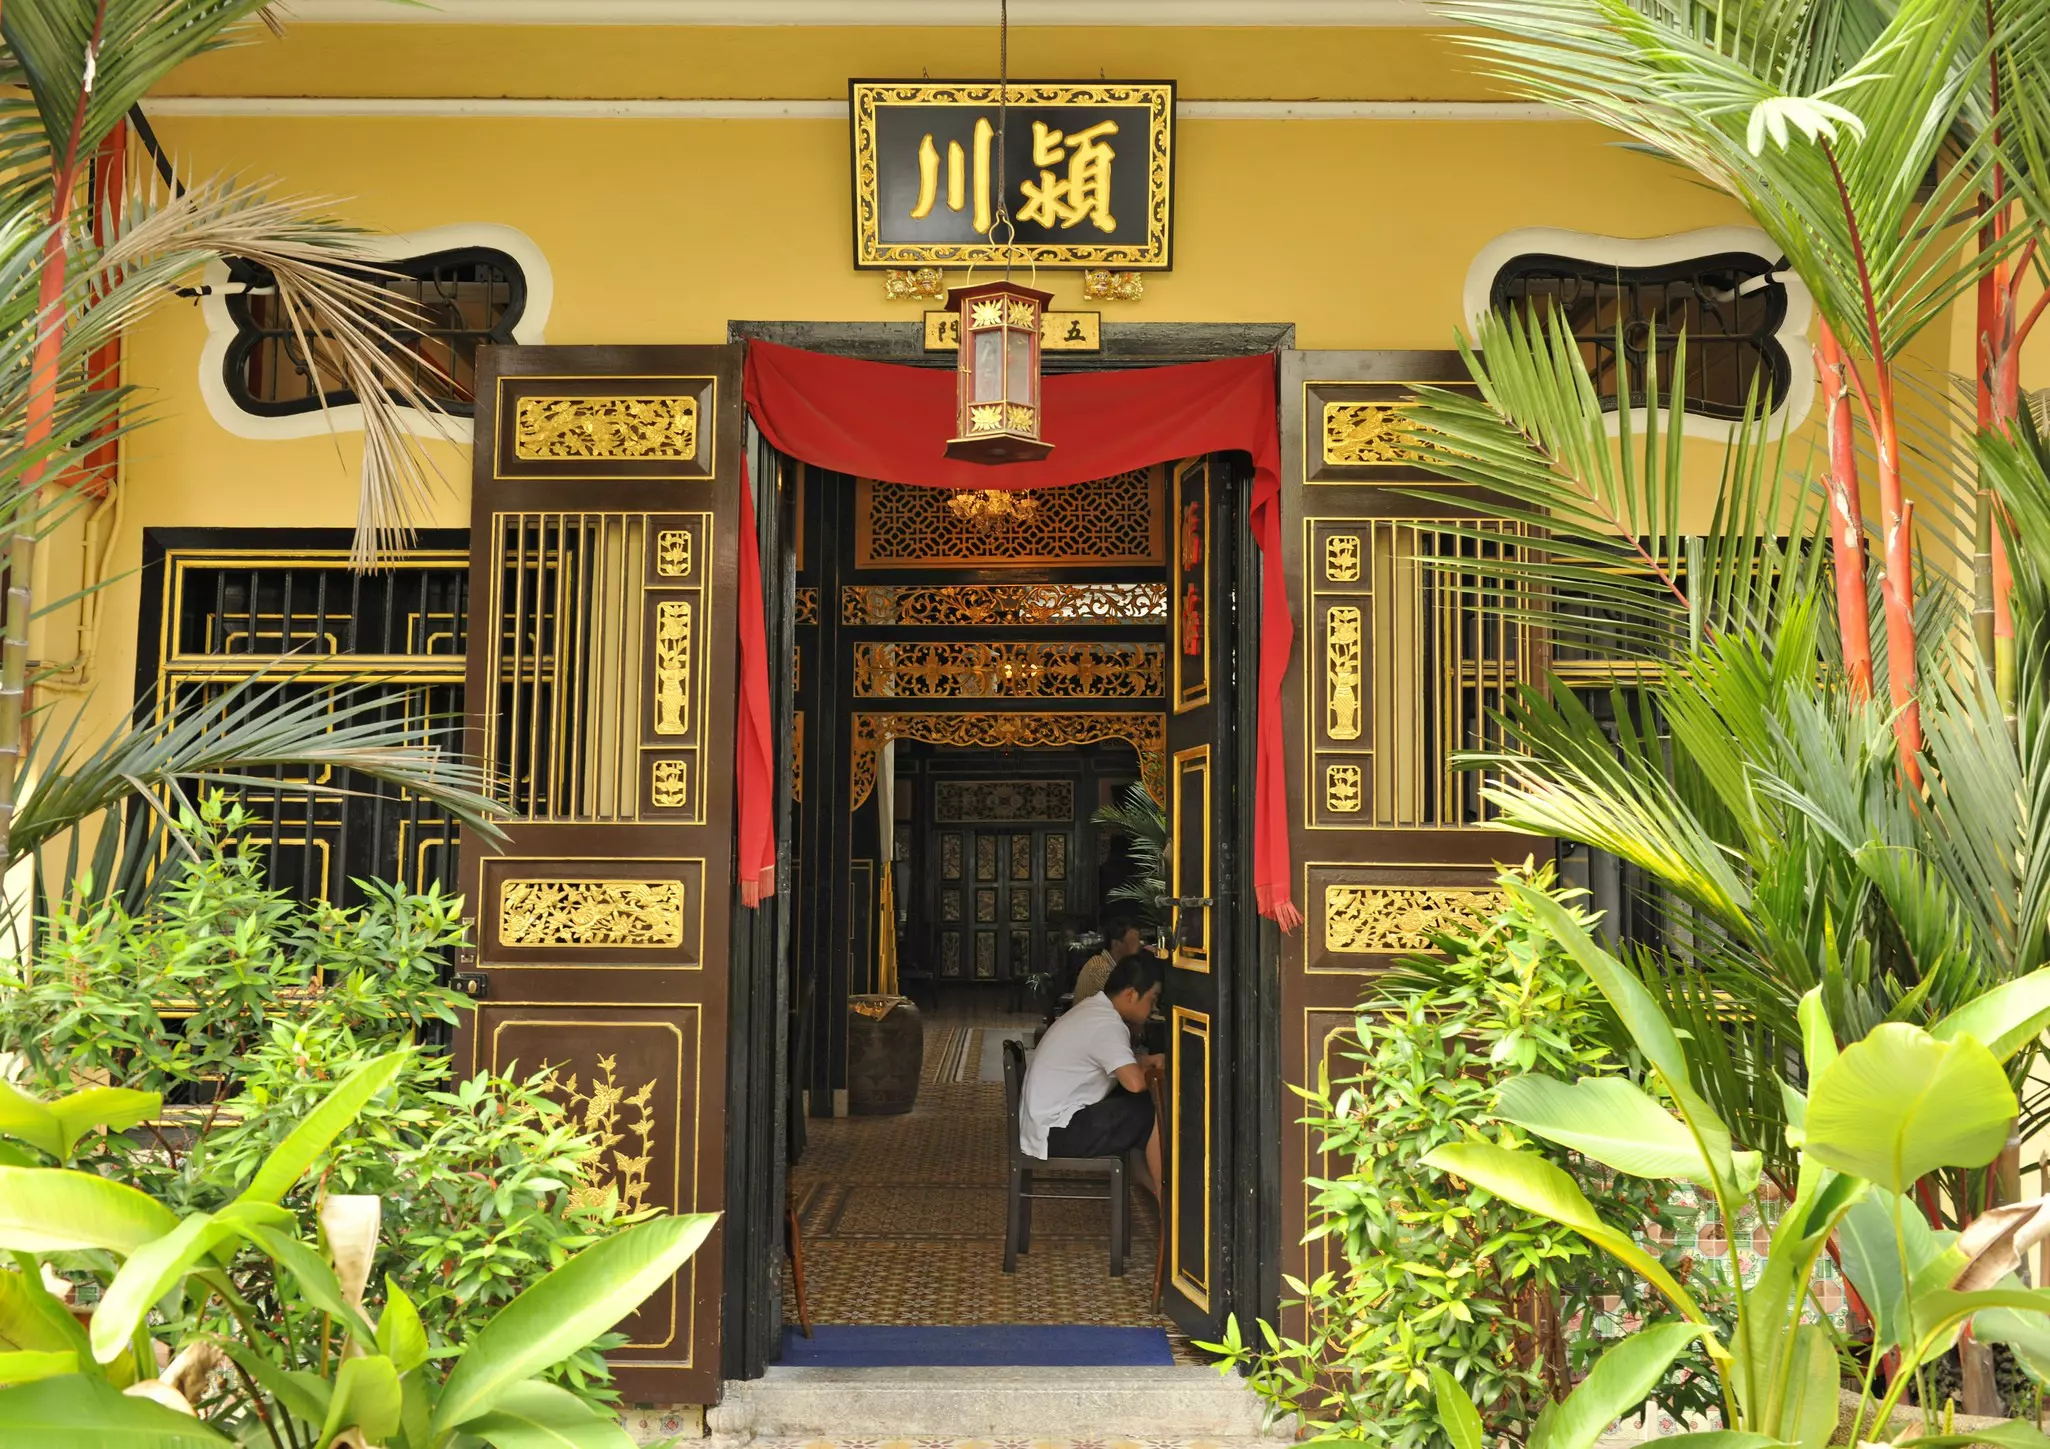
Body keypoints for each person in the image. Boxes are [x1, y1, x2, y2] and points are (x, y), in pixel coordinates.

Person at [1018, 954, 1164, 1195]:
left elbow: (1114, 1061)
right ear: (1130, 994)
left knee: (1135, 1108)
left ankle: (1152, 1187)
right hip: (1056, 1131)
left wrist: (1147, 1061)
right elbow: (1136, 1083)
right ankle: (1165, 1204)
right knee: (1147, 1109)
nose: (1154, 1009)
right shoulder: (1107, 1024)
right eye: (1152, 999)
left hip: (1044, 1124)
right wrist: (1161, 1071)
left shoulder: (1095, 1009)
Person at [1071, 917, 1144, 1003]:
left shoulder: (1116, 967)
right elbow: (1125, 1004)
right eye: (1135, 940)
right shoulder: (1099, 967)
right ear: (1116, 944)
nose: (1140, 944)